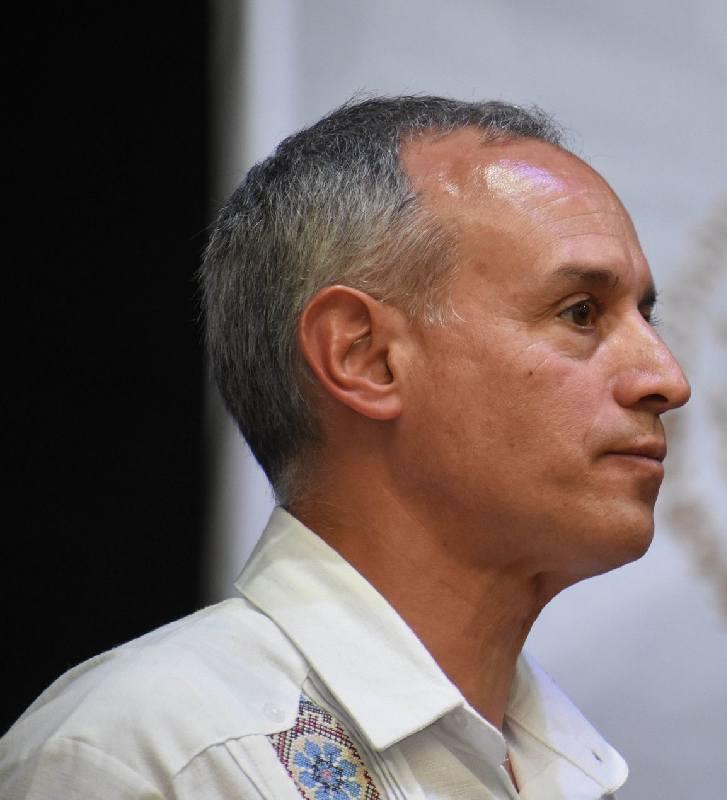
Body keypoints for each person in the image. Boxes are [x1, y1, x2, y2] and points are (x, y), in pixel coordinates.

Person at [0, 96, 690, 799]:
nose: (668, 380)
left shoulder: (572, 770)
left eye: (646, 315)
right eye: (580, 313)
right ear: (364, 357)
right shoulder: (141, 757)